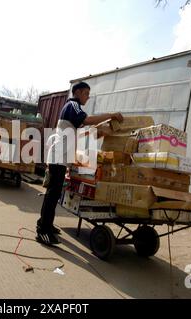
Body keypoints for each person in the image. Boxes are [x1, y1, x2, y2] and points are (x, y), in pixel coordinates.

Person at [36, 82, 123, 246]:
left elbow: (86, 125)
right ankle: (43, 231)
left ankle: (47, 224)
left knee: (53, 195)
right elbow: (87, 119)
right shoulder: (73, 105)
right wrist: (110, 115)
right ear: (78, 93)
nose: (88, 97)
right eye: (86, 93)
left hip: (61, 158)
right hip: (58, 158)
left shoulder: (72, 110)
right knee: (51, 195)